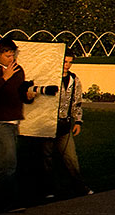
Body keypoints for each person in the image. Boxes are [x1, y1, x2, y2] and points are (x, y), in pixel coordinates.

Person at [0, 39, 37, 213]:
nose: (11, 59)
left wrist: (28, 96)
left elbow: (20, 95)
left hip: (12, 122)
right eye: (8, 55)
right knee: (9, 164)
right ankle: (4, 203)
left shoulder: (18, 71)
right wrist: (4, 77)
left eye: (13, 55)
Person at [40, 55, 91, 198]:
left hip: (64, 124)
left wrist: (78, 121)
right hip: (48, 123)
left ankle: (79, 186)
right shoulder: (50, 77)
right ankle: (48, 189)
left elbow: (77, 102)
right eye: (65, 62)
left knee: (71, 157)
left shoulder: (74, 80)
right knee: (47, 157)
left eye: (70, 62)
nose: (67, 65)